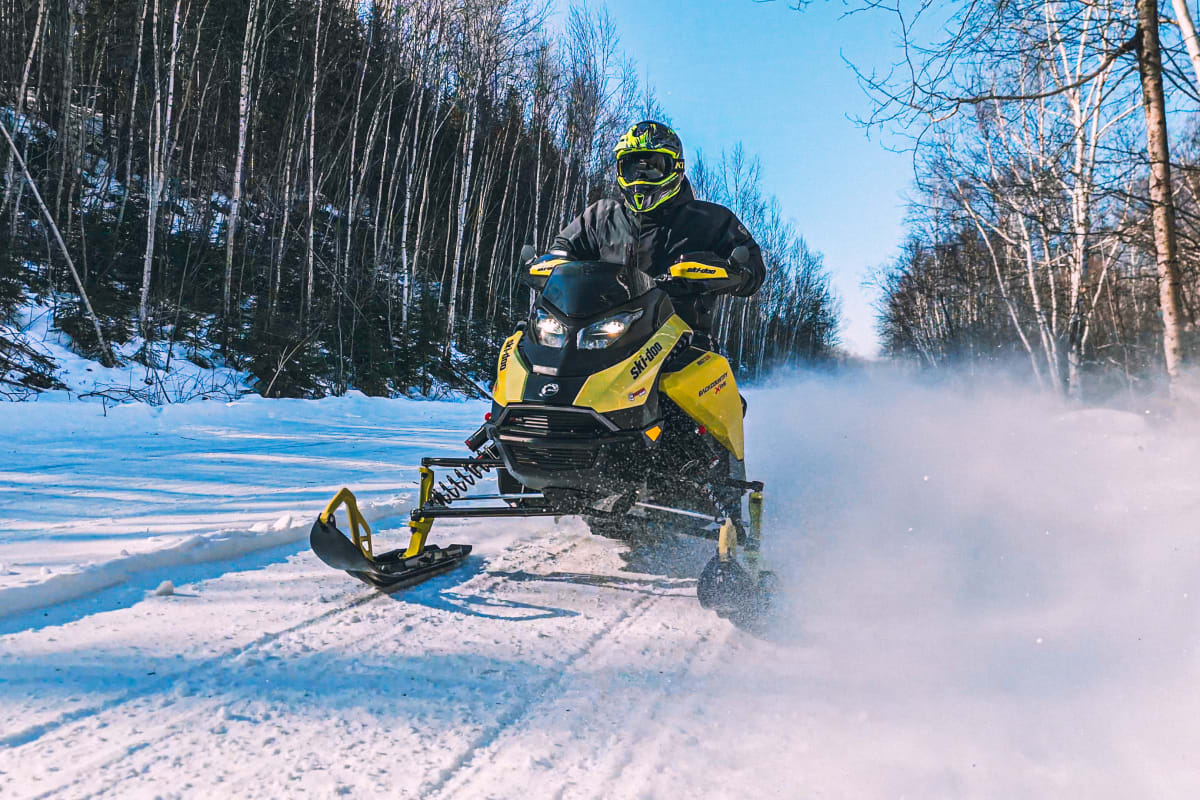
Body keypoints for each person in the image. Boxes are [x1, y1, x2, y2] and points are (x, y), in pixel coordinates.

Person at [549, 121, 766, 346]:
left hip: (682, 340)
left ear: (676, 168)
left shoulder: (710, 219)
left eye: (654, 167)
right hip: (602, 340)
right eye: (632, 167)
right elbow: (562, 250)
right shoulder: (601, 216)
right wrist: (549, 265)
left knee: (704, 372)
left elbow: (753, 265)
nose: (641, 177)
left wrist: (729, 272)